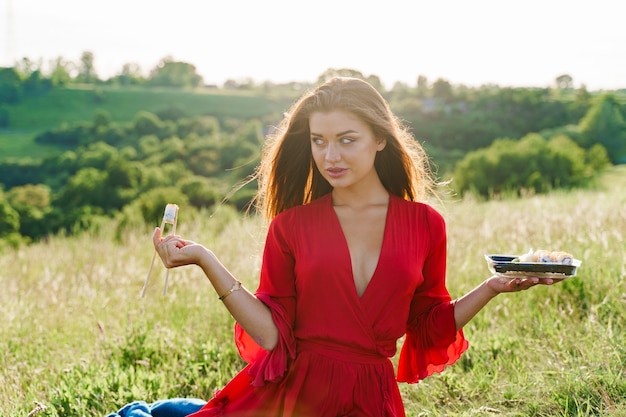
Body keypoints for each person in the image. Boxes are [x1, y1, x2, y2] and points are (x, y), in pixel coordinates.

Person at [107, 77, 560, 417]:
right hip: (292, 395)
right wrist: (206, 259)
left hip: (373, 397)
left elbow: (427, 325)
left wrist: (492, 287)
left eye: (347, 140)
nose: (330, 157)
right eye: (319, 142)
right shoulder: (292, 227)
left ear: (380, 139)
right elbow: (271, 335)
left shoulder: (426, 225)